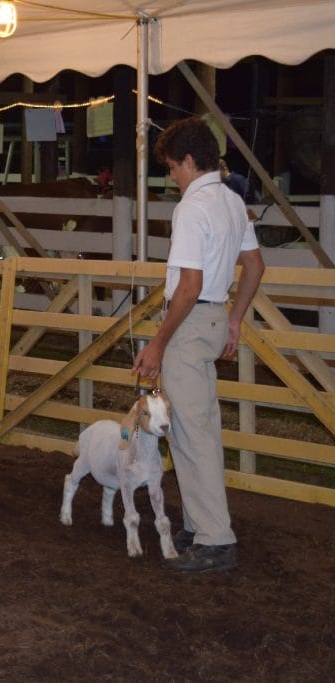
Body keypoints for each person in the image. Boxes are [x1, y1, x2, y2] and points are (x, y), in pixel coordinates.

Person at [133, 117, 265, 573]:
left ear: (189, 160)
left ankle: (215, 538)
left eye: (172, 167)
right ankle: (197, 525)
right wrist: (234, 319)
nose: (172, 177)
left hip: (189, 324)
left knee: (192, 435)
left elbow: (188, 287)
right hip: (214, 318)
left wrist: (158, 343)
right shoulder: (231, 200)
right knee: (198, 426)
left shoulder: (192, 207)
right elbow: (255, 265)